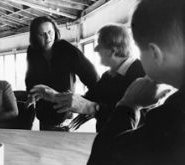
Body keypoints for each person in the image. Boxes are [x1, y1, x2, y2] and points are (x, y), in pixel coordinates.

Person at [86, 0, 185, 164]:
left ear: (154, 52)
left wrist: (128, 106)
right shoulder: (106, 76)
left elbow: (103, 158)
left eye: (140, 50)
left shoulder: (172, 116)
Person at [64, 24, 146, 132]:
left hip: (130, 144)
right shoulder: (107, 76)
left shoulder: (143, 73)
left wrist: (94, 108)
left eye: (99, 45)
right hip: (107, 140)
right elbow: (88, 99)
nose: (95, 49)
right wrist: (53, 96)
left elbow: (139, 115)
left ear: (113, 50)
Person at [26, 16, 99, 131]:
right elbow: (30, 77)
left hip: (65, 111)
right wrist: (31, 94)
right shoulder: (32, 51)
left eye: (50, 32)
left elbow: (91, 75)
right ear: (35, 36)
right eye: (42, 34)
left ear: (55, 31)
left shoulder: (66, 49)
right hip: (43, 112)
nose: (48, 37)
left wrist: (89, 102)